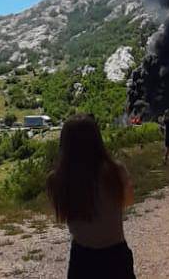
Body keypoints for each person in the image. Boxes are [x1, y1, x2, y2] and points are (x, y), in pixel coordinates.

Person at [47, 114, 136, 279]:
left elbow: (63, 211)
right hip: (115, 255)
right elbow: (128, 201)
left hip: (82, 258)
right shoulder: (115, 171)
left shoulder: (57, 179)